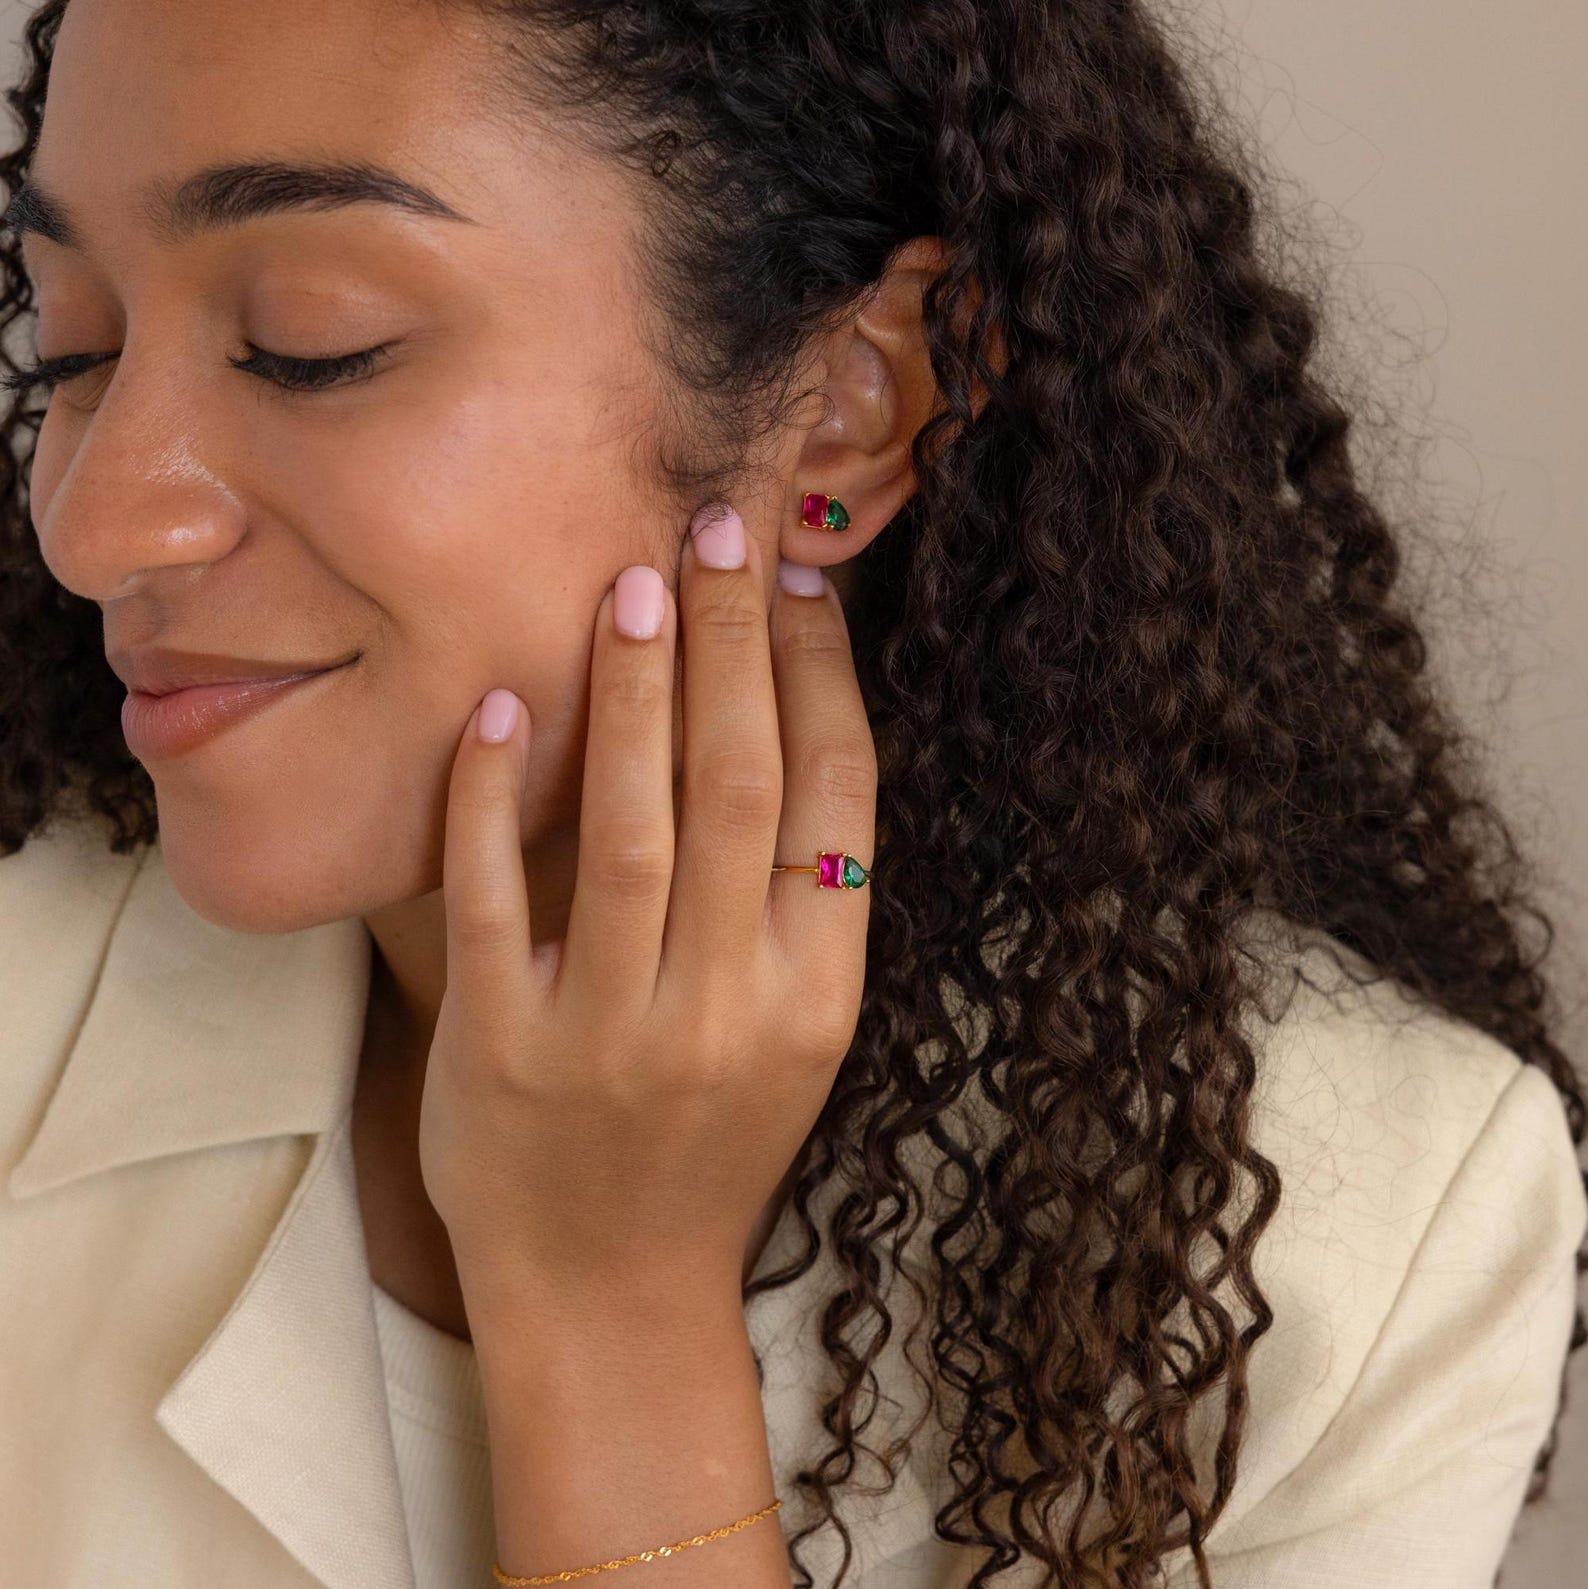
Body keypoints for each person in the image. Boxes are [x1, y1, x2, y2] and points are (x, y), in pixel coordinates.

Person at [0, 1, 1582, 1586]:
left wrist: (613, 1306)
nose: (96, 522)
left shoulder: (1363, 1240)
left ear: (851, 404)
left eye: (310, 342)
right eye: (74, 348)